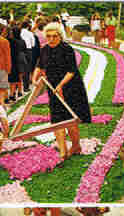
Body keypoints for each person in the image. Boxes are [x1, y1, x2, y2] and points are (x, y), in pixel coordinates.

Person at [33, 22, 91, 160]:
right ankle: (63, 151)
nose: (51, 39)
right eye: (48, 36)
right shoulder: (45, 49)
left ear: (60, 36)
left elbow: (72, 71)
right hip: (53, 87)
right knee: (57, 119)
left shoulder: (67, 49)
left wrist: (61, 85)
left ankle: (76, 146)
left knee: (70, 118)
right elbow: (39, 65)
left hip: (70, 86)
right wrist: (35, 78)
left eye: (54, 36)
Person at [8, 26, 27, 102]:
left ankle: (14, 92)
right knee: (20, 75)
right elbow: (25, 49)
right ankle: (20, 90)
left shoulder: (11, 41)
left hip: (15, 60)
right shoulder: (22, 41)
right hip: (21, 59)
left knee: (14, 76)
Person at [21, 21, 36, 92]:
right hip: (28, 50)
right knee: (27, 69)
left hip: (21, 51)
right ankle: (26, 86)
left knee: (22, 69)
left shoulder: (20, 32)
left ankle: (20, 87)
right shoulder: (30, 33)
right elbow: (33, 44)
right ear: (27, 26)